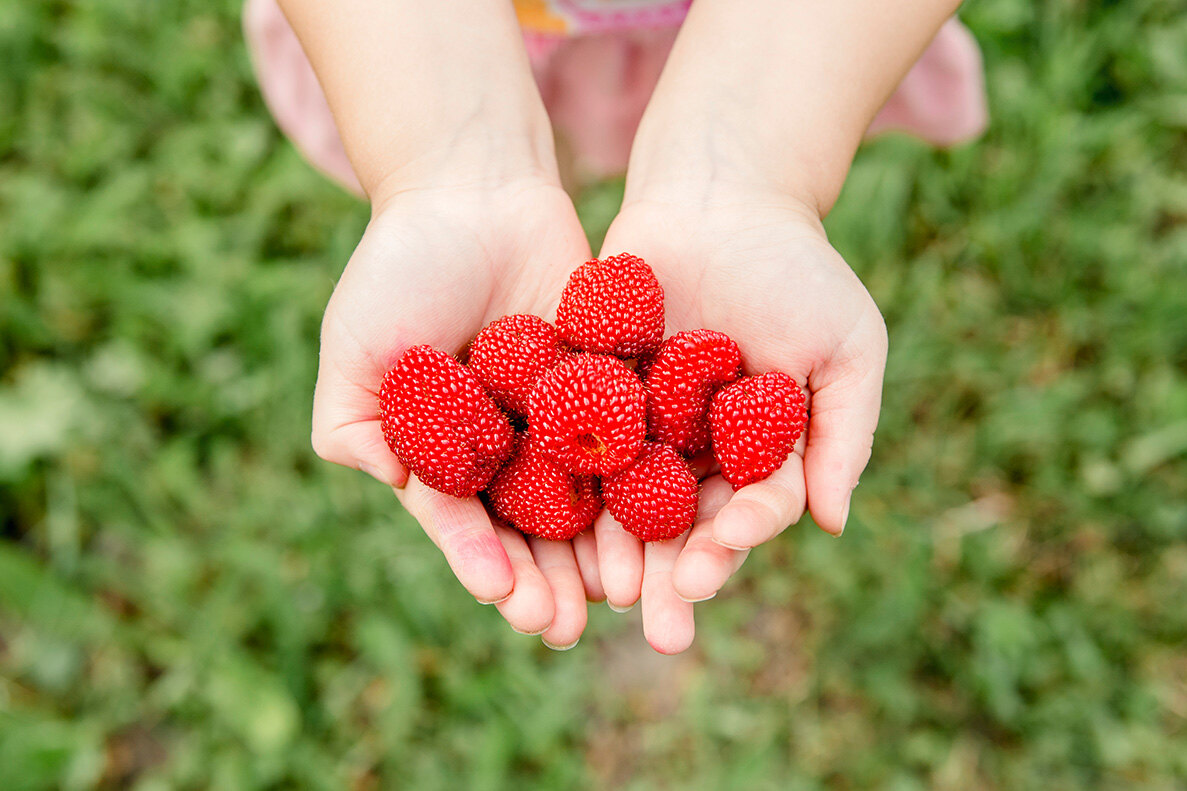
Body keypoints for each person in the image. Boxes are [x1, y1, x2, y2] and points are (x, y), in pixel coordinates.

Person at [244, 0, 987, 655]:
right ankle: (527, 157)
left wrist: (750, 170)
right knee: (562, 149)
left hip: (786, 48)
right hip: (413, 45)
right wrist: (447, 171)